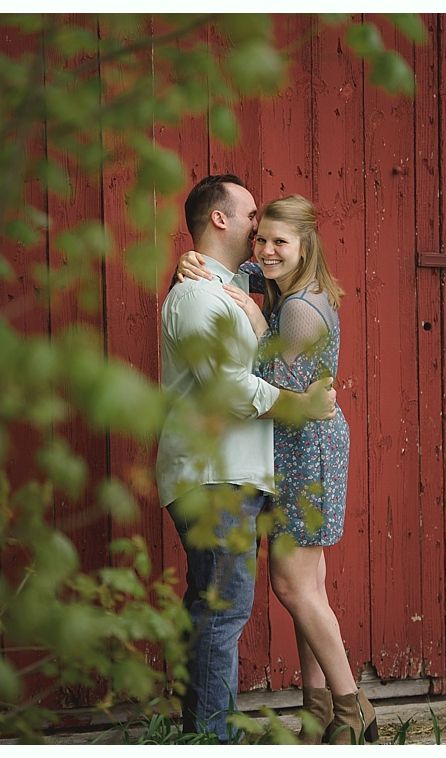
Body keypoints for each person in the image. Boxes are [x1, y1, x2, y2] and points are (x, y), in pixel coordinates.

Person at [175, 194, 376, 744]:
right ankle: (319, 717)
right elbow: (224, 266)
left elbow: (274, 385)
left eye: (279, 242)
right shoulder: (273, 281)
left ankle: (352, 708)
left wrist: (259, 318)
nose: (264, 250)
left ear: (306, 245)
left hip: (307, 448)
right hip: (290, 447)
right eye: (260, 236)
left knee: (294, 586)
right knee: (310, 587)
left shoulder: (298, 308)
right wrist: (186, 263)